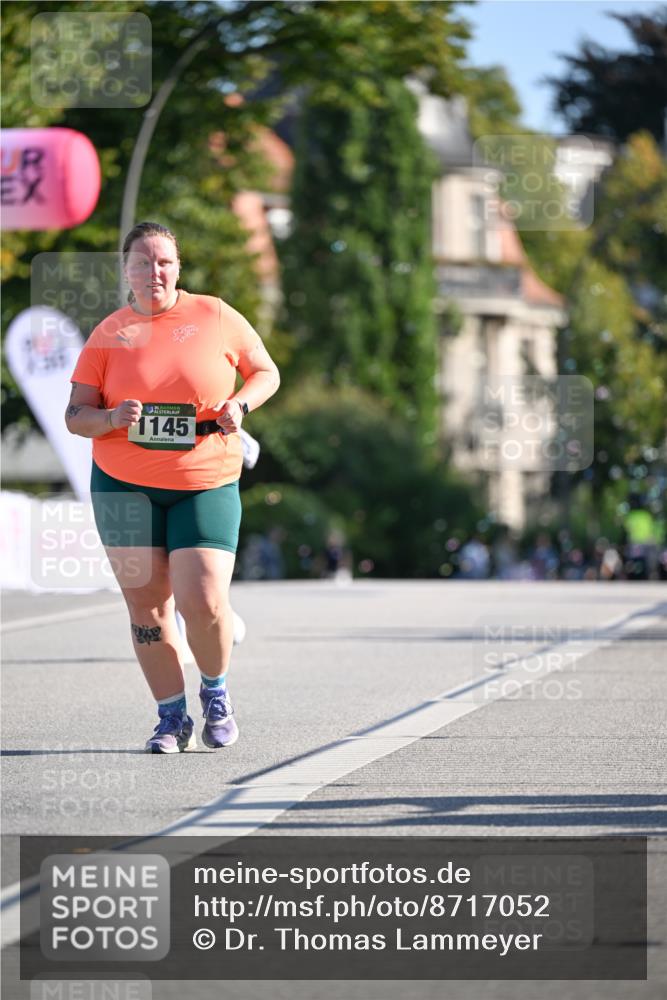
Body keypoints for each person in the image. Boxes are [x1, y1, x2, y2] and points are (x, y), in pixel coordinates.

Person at [65, 221, 280, 753]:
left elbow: (265, 372)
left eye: (164, 261)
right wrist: (111, 417)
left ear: (178, 268)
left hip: (204, 478)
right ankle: (170, 718)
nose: (154, 271)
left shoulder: (214, 315)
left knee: (202, 599)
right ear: (127, 271)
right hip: (123, 486)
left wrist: (240, 404)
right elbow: (76, 415)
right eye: (142, 262)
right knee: (147, 607)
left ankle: (215, 692)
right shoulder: (109, 333)